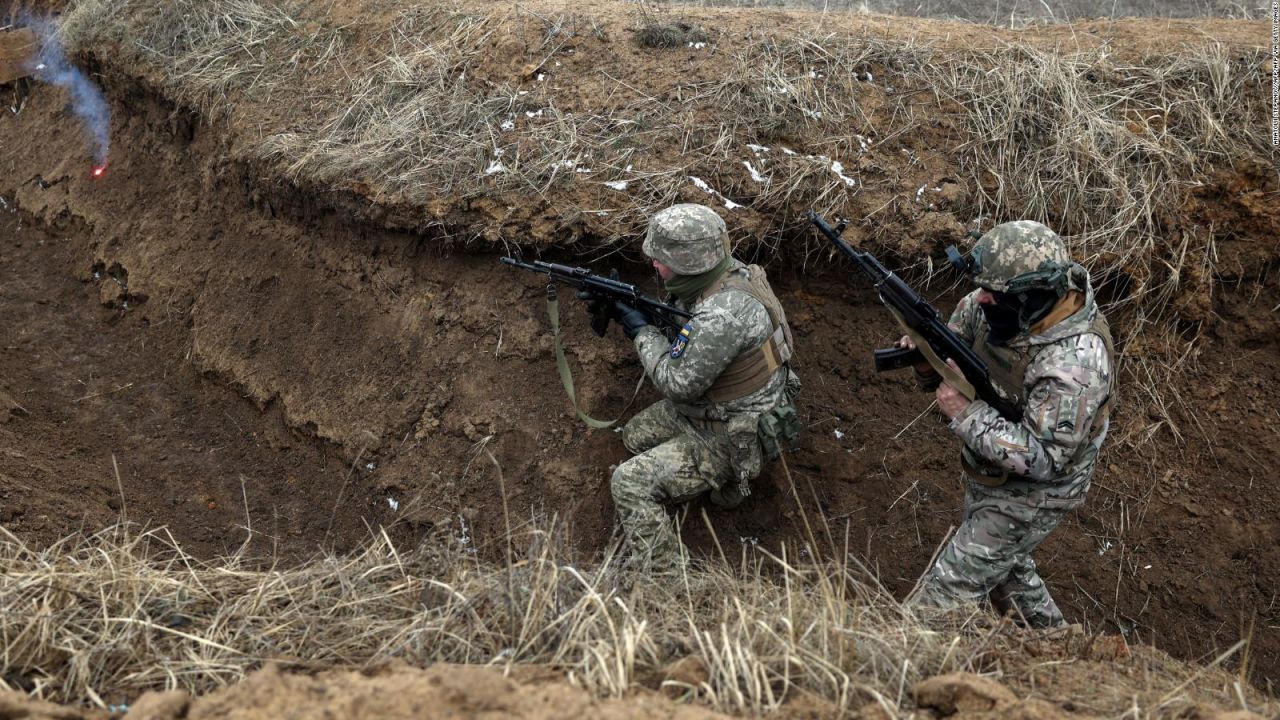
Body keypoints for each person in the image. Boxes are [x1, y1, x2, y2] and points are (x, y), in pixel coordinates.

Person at [906, 220, 1115, 628]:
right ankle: (1060, 647)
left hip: (1041, 489)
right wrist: (925, 360)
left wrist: (966, 413)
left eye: (993, 293)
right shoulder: (994, 304)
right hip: (995, 465)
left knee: (939, 601)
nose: (978, 298)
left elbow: (1043, 460)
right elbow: (950, 360)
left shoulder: (1075, 364)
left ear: (1030, 297)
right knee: (1004, 572)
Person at [604, 203, 800, 572]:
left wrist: (639, 328)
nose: (654, 266)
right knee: (634, 437)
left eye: (661, 259)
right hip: (728, 408)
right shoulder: (731, 276)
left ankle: (671, 582)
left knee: (628, 482)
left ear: (690, 260)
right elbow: (688, 328)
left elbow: (677, 383)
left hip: (730, 435)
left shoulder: (723, 314)